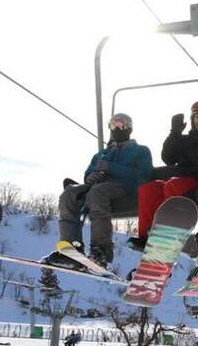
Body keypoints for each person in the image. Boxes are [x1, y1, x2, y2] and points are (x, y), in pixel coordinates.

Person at [46, 113, 152, 268]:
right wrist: (90, 177)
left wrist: (112, 168)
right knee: (69, 193)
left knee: (97, 192)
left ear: (129, 128)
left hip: (125, 187)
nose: (116, 128)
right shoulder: (102, 153)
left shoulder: (140, 151)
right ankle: (71, 247)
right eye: (113, 125)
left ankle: (101, 250)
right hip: (98, 186)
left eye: (121, 124)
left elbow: (143, 175)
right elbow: (88, 174)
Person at [126, 102, 198, 251]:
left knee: (173, 185)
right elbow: (168, 158)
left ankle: (169, 234)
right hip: (185, 175)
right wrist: (175, 133)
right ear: (192, 119)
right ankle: (146, 237)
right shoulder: (186, 139)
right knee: (149, 188)